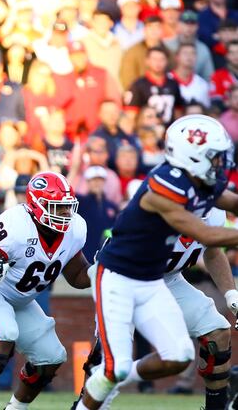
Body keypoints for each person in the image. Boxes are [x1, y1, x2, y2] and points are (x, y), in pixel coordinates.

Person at [75, 115, 238, 410]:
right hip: (118, 276)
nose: (220, 164)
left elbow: (233, 203)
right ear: (192, 157)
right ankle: (94, 393)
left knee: (178, 356)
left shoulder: (198, 181)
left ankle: (112, 376)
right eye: (214, 157)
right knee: (114, 364)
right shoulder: (163, 187)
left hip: (157, 279)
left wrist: (231, 294)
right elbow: (205, 234)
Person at [0, 172, 92, 410]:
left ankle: (14, 408)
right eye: (57, 208)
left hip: (19, 298)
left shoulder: (75, 229)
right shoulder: (16, 225)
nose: (65, 215)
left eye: (67, 208)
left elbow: (77, 276)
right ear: (37, 206)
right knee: (3, 332)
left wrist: (101, 271)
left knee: (51, 356)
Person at [92, 208, 238, 409]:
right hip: (124, 275)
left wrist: (231, 294)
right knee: (112, 356)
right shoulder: (158, 207)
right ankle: (88, 400)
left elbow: (212, 252)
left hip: (170, 278)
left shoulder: (214, 211)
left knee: (218, 331)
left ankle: (217, 407)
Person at [76, 166, 119, 261]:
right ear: (87, 182)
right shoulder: (80, 202)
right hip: (85, 254)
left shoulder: (112, 206)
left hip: (106, 255)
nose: (97, 183)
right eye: (93, 180)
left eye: (100, 180)